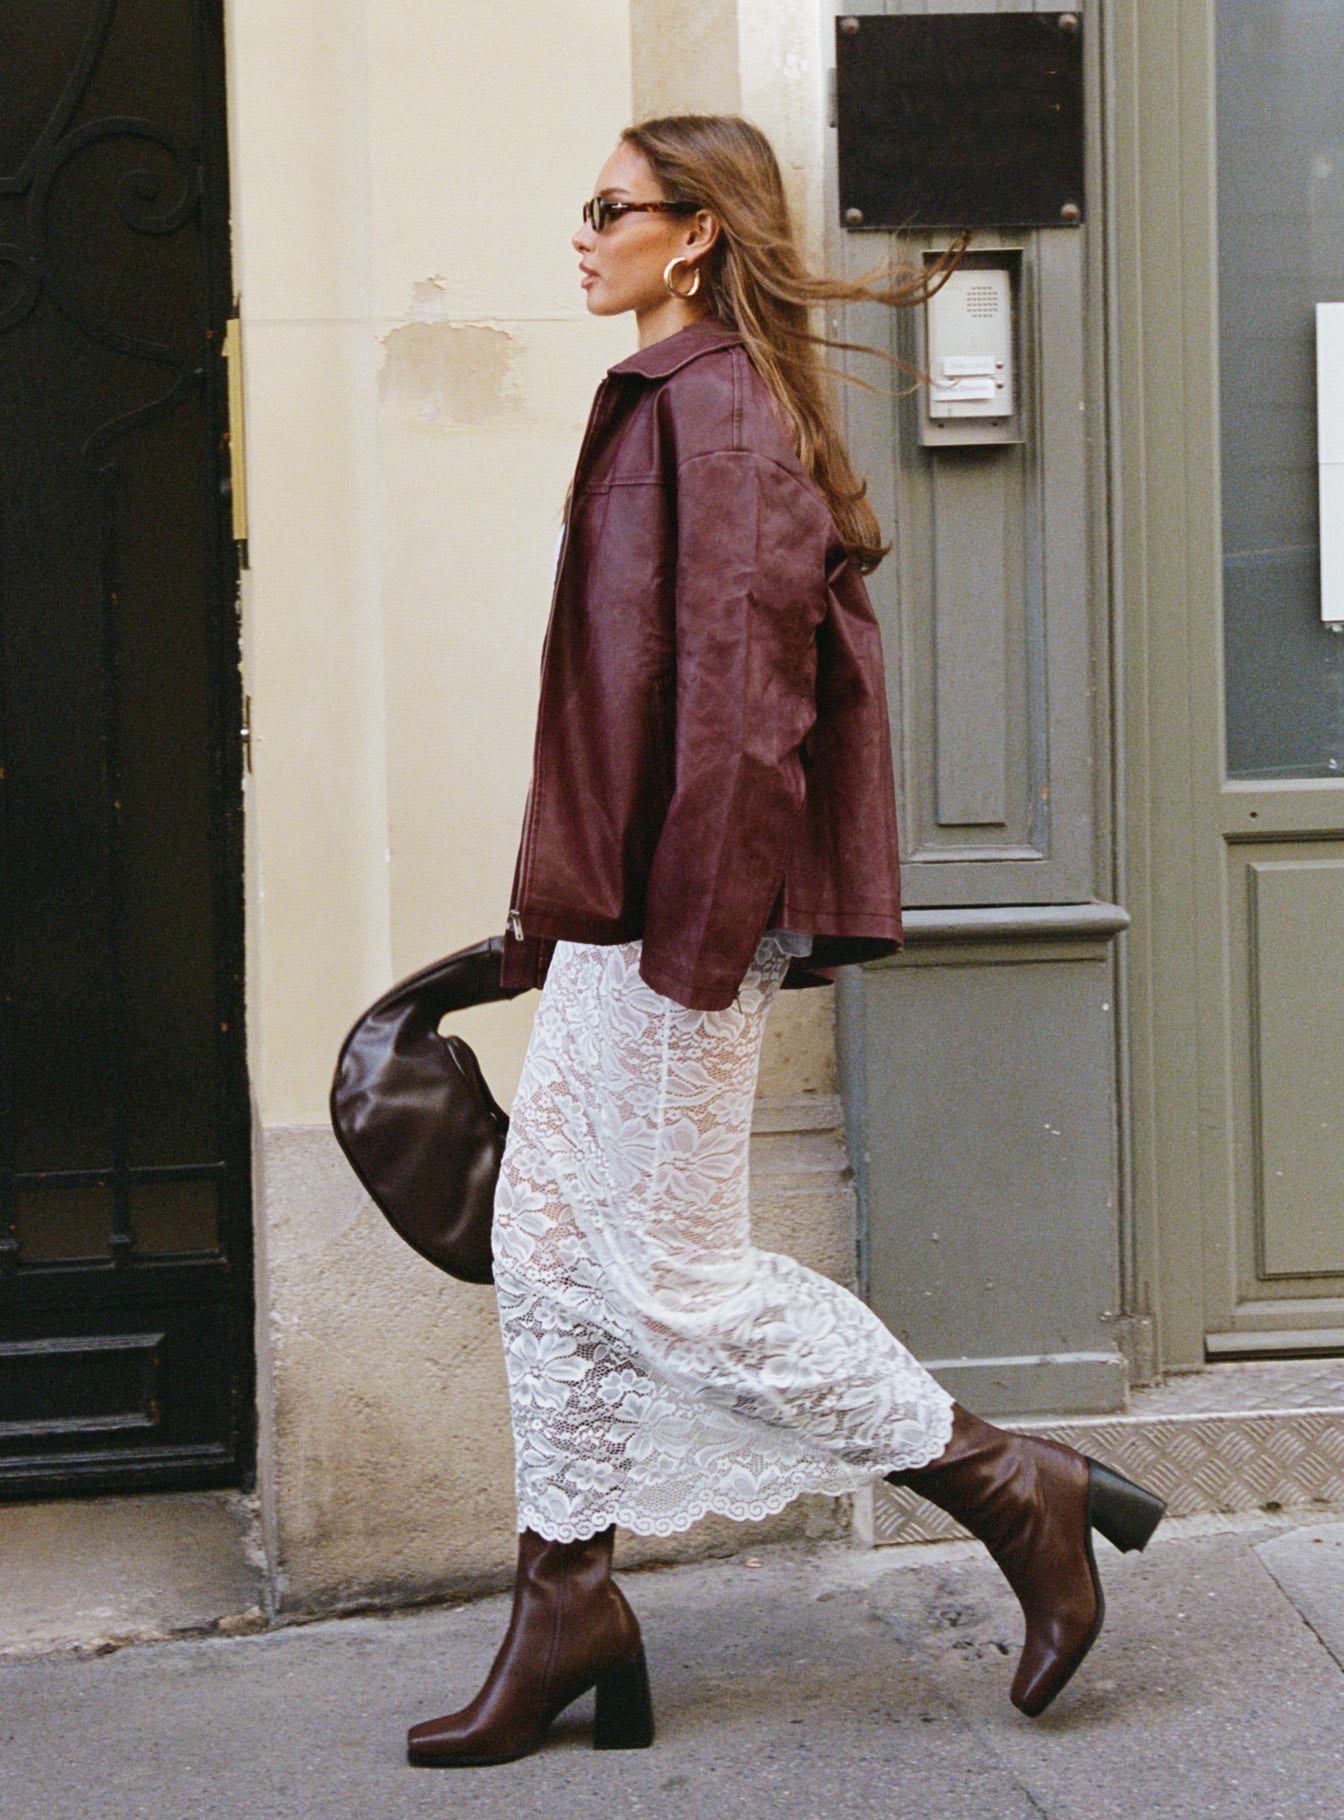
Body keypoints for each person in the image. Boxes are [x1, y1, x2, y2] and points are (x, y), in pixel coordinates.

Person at [407, 114, 1165, 1769]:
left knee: (671, 1274)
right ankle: (568, 1605)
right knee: (545, 1247)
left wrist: (693, 932)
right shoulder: (667, 400)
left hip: (687, 916)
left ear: (691, 236)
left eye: (607, 207)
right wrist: (567, 910)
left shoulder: (723, 414)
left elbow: (750, 711)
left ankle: (1008, 1482)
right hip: (629, 909)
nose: (581, 232)